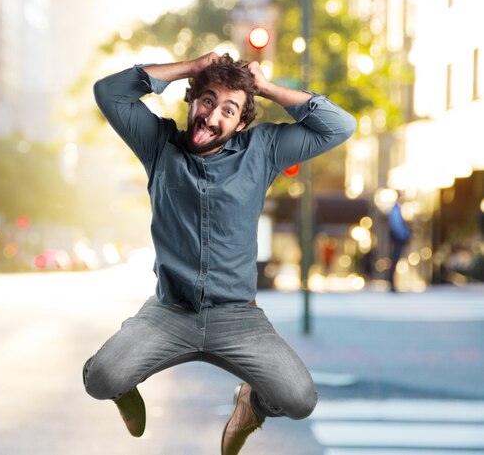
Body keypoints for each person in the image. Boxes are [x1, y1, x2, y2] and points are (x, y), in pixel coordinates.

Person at [83, 52, 357, 454]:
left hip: (237, 318)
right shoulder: (158, 145)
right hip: (170, 313)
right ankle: (125, 389)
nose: (212, 117)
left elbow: (338, 126)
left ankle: (251, 405)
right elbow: (108, 92)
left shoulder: (262, 150)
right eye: (208, 100)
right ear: (192, 100)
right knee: (101, 379)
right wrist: (189, 68)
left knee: (299, 400)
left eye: (229, 110)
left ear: (242, 122)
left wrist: (264, 87)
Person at [387, 199, 411, 292]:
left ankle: (392, 282)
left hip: (398, 238)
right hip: (398, 239)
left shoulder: (396, 210)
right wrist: (405, 235)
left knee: (395, 260)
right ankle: (391, 282)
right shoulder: (396, 210)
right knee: (395, 260)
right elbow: (396, 226)